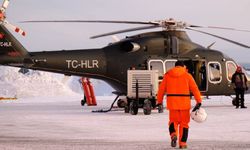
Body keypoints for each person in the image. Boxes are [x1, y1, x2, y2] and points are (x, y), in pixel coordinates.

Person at [157, 60, 202, 149]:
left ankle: (173, 134)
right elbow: (195, 89)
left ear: (175, 66)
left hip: (172, 104)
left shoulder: (167, 75)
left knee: (173, 122)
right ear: (183, 66)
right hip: (184, 104)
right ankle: (182, 144)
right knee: (184, 124)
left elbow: (161, 90)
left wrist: (159, 102)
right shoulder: (187, 75)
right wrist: (199, 101)